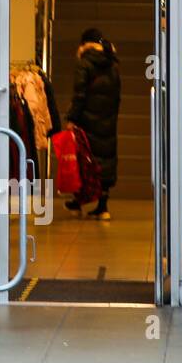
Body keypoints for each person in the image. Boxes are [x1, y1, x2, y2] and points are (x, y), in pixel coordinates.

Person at [65, 27, 121, 220]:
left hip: (87, 120)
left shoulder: (84, 63)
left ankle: (77, 201)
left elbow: (79, 95)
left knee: (84, 159)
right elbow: (117, 95)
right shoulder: (112, 64)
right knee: (105, 160)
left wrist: (72, 118)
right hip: (108, 118)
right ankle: (103, 206)